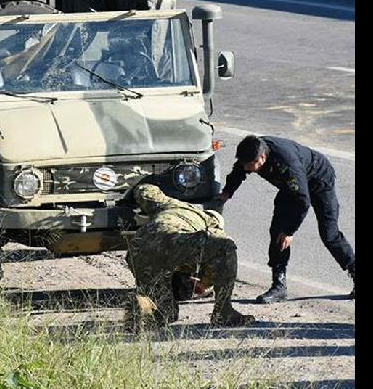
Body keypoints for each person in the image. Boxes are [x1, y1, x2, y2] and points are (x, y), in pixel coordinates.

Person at [213, 135, 355, 302]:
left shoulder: (286, 163)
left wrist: (290, 231)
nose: (246, 167)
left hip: (319, 180)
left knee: (329, 234)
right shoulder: (252, 149)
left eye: (249, 165)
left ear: (262, 158)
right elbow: (239, 170)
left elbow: (303, 201)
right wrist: (227, 192)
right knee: (277, 232)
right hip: (291, 187)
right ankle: (278, 286)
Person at [125, 183, 256, 329]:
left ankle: (144, 305)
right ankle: (223, 313)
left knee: (167, 312)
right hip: (170, 240)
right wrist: (205, 283)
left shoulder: (172, 204)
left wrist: (141, 185)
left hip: (137, 249)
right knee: (225, 246)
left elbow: (146, 192)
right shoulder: (209, 222)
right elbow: (217, 247)